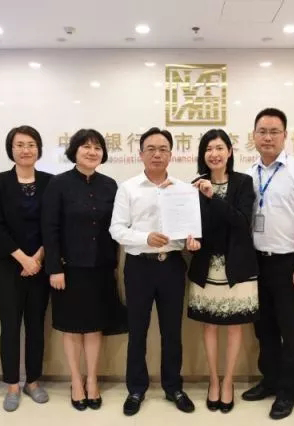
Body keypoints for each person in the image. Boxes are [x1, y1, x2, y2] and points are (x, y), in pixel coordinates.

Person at [109, 127, 200, 416]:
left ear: (171, 154)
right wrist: (145, 238)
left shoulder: (184, 190)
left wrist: (192, 241)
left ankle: (173, 387)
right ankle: (136, 389)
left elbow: (191, 231)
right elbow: (116, 229)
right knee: (137, 331)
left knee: (172, 331)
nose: (157, 154)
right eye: (151, 149)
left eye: (163, 149)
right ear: (141, 154)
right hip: (139, 267)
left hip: (172, 265)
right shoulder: (128, 188)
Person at [241, 108, 294, 420]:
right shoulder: (248, 174)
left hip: (288, 262)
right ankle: (270, 380)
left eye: (274, 131)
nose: (268, 137)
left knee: (291, 330)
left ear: (285, 136)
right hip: (255, 263)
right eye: (262, 131)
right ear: (253, 136)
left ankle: (288, 392)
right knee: (263, 328)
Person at [42, 129, 126, 411]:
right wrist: (54, 268)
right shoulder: (58, 184)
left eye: (97, 147)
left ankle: (92, 380)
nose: (92, 152)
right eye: (86, 147)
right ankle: (76, 381)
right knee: (72, 328)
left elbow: (117, 228)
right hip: (68, 269)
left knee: (94, 327)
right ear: (74, 151)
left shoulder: (110, 186)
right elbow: (50, 229)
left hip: (101, 268)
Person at [187, 129, 259, 413]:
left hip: (237, 267)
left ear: (229, 152)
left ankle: (228, 381)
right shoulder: (194, 185)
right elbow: (191, 225)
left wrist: (212, 197)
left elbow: (241, 222)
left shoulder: (243, 182)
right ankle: (213, 381)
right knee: (209, 325)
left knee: (234, 326)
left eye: (219, 148)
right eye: (208, 149)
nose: (214, 154)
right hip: (206, 267)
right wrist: (190, 240)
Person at [0, 126, 52, 412]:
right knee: (10, 326)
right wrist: (23, 259)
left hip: (41, 264)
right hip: (7, 265)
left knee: (36, 325)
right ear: (10, 149)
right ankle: (12, 384)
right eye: (20, 144)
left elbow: (52, 224)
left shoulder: (50, 182)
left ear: (39, 149)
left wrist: (37, 258)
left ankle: (33, 382)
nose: (26, 150)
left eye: (31, 144)